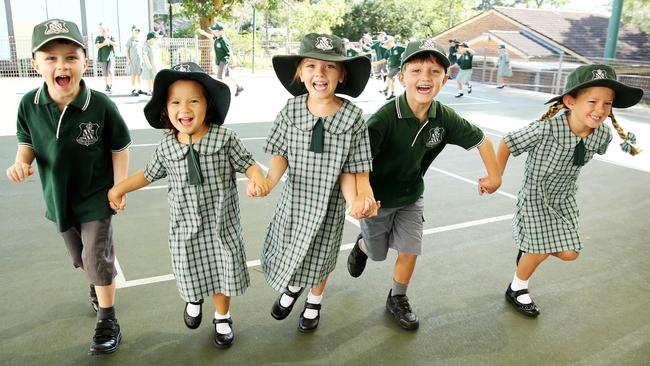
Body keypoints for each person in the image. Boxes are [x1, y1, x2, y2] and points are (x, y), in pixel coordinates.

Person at [107, 62, 270, 348]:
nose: (185, 108)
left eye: (194, 100)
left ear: (208, 105)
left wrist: (258, 179)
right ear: (166, 109)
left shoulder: (225, 138)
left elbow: (249, 165)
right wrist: (119, 187)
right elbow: (147, 174)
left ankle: (222, 317)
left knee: (223, 274)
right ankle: (194, 300)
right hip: (184, 228)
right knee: (189, 269)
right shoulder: (167, 146)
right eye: (176, 102)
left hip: (222, 226)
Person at [346, 39, 502, 330]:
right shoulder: (383, 119)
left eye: (434, 71)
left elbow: (482, 140)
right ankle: (364, 246)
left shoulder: (443, 116)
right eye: (416, 70)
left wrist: (495, 176)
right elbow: (358, 161)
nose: (425, 78)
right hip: (378, 198)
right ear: (402, 77)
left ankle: (398, 298)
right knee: (378, 253)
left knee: (410, 249)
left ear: (445, 77)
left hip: (411, 196)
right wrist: (362, 194)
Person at [6, 19, 131, 355]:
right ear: (35, 64)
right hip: (59, 198)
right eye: (50, 58)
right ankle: (96, 282)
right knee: (81, 258)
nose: (61, 65)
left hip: (96, 196)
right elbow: (27, 143)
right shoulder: (28, 105)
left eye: (70, 57)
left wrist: (118, 187)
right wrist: (22, 163)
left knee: (96, 256)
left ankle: (108, 320)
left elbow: (119, 147)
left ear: (84, 62)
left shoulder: (101, 105)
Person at [497, 64, 643, 318]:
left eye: (607, 104)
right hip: (535, 196)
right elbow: (507, 142)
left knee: (570, 253)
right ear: (570, 101)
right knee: (540, 248)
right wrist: (495, 175)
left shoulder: (602, 136)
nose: (600, 110)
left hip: (564, 197)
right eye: (592, 101)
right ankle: (517, 287)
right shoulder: (545, 129)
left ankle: (529, 247)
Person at [262, 33, 377, 332]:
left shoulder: (353, 118)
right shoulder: (291, 110)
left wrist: (357, 201)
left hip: (329, 206)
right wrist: (269, 181)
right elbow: (279, 154)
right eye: (311, 66)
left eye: (329, 67)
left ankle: (314, 300)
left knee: (322, 257)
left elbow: (354, 170)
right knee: (290, 250)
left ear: (342, 75)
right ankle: (292, 288)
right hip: (294, 202)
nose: (320, 74)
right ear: (301, 73)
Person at [197, 22, 244, 97]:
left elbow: (229, 51)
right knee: (228, 74)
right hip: (219, 60)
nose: (212, 32)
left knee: (219, 77)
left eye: (214, 30)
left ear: (220, 32)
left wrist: (234, 60)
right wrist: (203, 33)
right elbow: (210, 36)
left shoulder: (223, 40)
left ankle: (222, 93)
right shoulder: (217, 38)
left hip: (223, 60)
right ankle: (239, 87)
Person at [94, 23, 117, 93]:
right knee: (105, 73)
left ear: (107, 30)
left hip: (111, 57)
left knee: (111, 71)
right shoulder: (98, 38)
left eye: (104, 30)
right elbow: (97, 46)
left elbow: (116, 44)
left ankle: (111, 86)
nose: (102, 31)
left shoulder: (111, 37)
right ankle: (106, 85)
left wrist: (109, 41)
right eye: (101, 30)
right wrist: (104, 43)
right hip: (102, 57)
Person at [125, 25, 144, 96]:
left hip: (140, 60)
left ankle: (139, 88)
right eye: (136, 30)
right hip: (133, 60)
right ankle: (133, 89)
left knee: (139, 75)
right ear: (132, 31)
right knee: (133, 75)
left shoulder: (141, 40)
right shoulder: (130, 40)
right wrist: (128, 59)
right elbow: (126, 50)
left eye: (138, 31)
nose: (137, 32)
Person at [141, 31, 162, 96]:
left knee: (155, 78)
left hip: (156, 65)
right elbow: (144, 55)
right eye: (156, 38)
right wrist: (148, 64)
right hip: (149, 65)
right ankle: (149, 90)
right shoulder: (146, 46)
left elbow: (158, 56)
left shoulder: (156, 46)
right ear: (151, 39)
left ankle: (155, 90)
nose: (157, 39)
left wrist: (160, 63)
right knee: (149, 78)